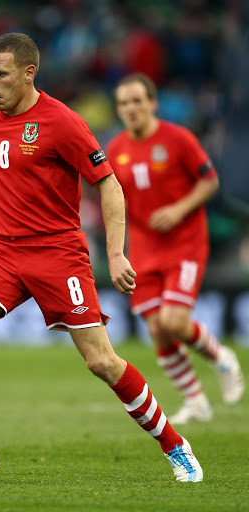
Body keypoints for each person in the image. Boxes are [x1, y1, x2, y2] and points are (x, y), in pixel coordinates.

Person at [0, 33, 203, 482]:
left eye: (1, 74)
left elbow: (108, 184)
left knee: (102, 363)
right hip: (0, 249)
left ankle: (176, 446)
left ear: (29, 72)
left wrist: (115, 255)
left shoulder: (62, 122)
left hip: (58, 254)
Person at [106, 73, 244, 425]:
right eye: (124, 103)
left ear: (153, 103)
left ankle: (220, 356)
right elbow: (113, 200)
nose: (131, 108)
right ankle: (196, 400)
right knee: (156, 329)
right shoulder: (116, 150)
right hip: (144, 247)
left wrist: (179, 209)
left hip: (184, 243)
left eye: (137, 100)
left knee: (173, 321)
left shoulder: (178, 138)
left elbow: (209, 181)